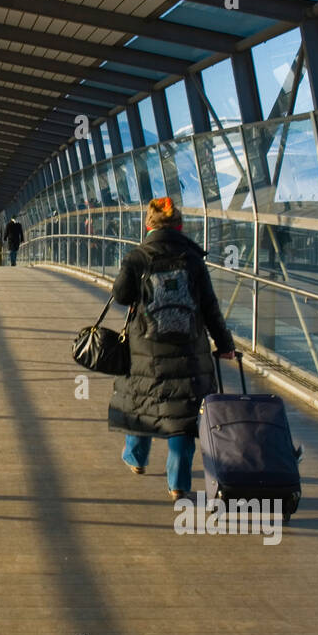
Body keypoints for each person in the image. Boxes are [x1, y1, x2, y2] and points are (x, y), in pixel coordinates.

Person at [108, 196, 235, 500]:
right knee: (185, 414)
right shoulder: (192, 258)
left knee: (141, 400)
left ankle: (136, 457)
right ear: (178, 225)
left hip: (146, 347)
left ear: (148, 225)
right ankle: (178, 483)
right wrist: (225, 343)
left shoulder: (138, 256)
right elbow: (209, 306)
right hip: (190, 347)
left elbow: (121, 296)